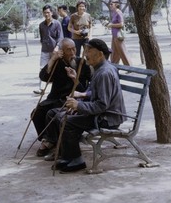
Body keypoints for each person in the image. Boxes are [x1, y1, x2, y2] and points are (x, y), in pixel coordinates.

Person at [42, 38, 126, 173]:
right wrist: (81, 99)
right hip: (100, 114)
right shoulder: (100, 69)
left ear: (99, 54)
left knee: (66, 121)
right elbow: (96, 94)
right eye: (85, 50)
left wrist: (79, 106)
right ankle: (67, 156)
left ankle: (77, 161)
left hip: (107, 118)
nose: (85, 54)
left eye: (88, 51)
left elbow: (102, 105)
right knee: (60, 115)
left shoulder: (104, 73)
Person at [33, 38, 92, 157]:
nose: (72, 52)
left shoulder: (82, 64)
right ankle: (48, 139)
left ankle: (50, 141)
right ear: (62, 51)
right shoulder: (57, 63)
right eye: (68, 50)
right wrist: (53, 58)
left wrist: (74, 78)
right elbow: (44, 77)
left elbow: (84, 90)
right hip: (55, 98)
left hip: (72, 99)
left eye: (73, 48)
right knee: (37, 113)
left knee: (52, 113)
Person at [33, 5, 64, 95]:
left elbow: (60, 37)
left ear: (52, 13)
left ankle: (58, 89)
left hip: (55, 50)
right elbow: (42, 38)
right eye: (45, 13)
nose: (46, 14)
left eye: (48, 12)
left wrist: (57, 47)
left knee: (56, 69)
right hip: (45, 50)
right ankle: (41, 89)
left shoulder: (57, 23)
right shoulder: (41, 25)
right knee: (43, 68)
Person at [106, 0, 132, 65]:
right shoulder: (114, 13)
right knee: (114, 52)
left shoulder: (118, 12)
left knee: (122, 51)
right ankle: (114, 67)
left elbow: (121, 24)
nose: (110, 5)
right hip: (114, 35)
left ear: (116, 4)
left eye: (112, 4)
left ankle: (129, 67)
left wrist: (111, 25)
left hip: (118, 35)